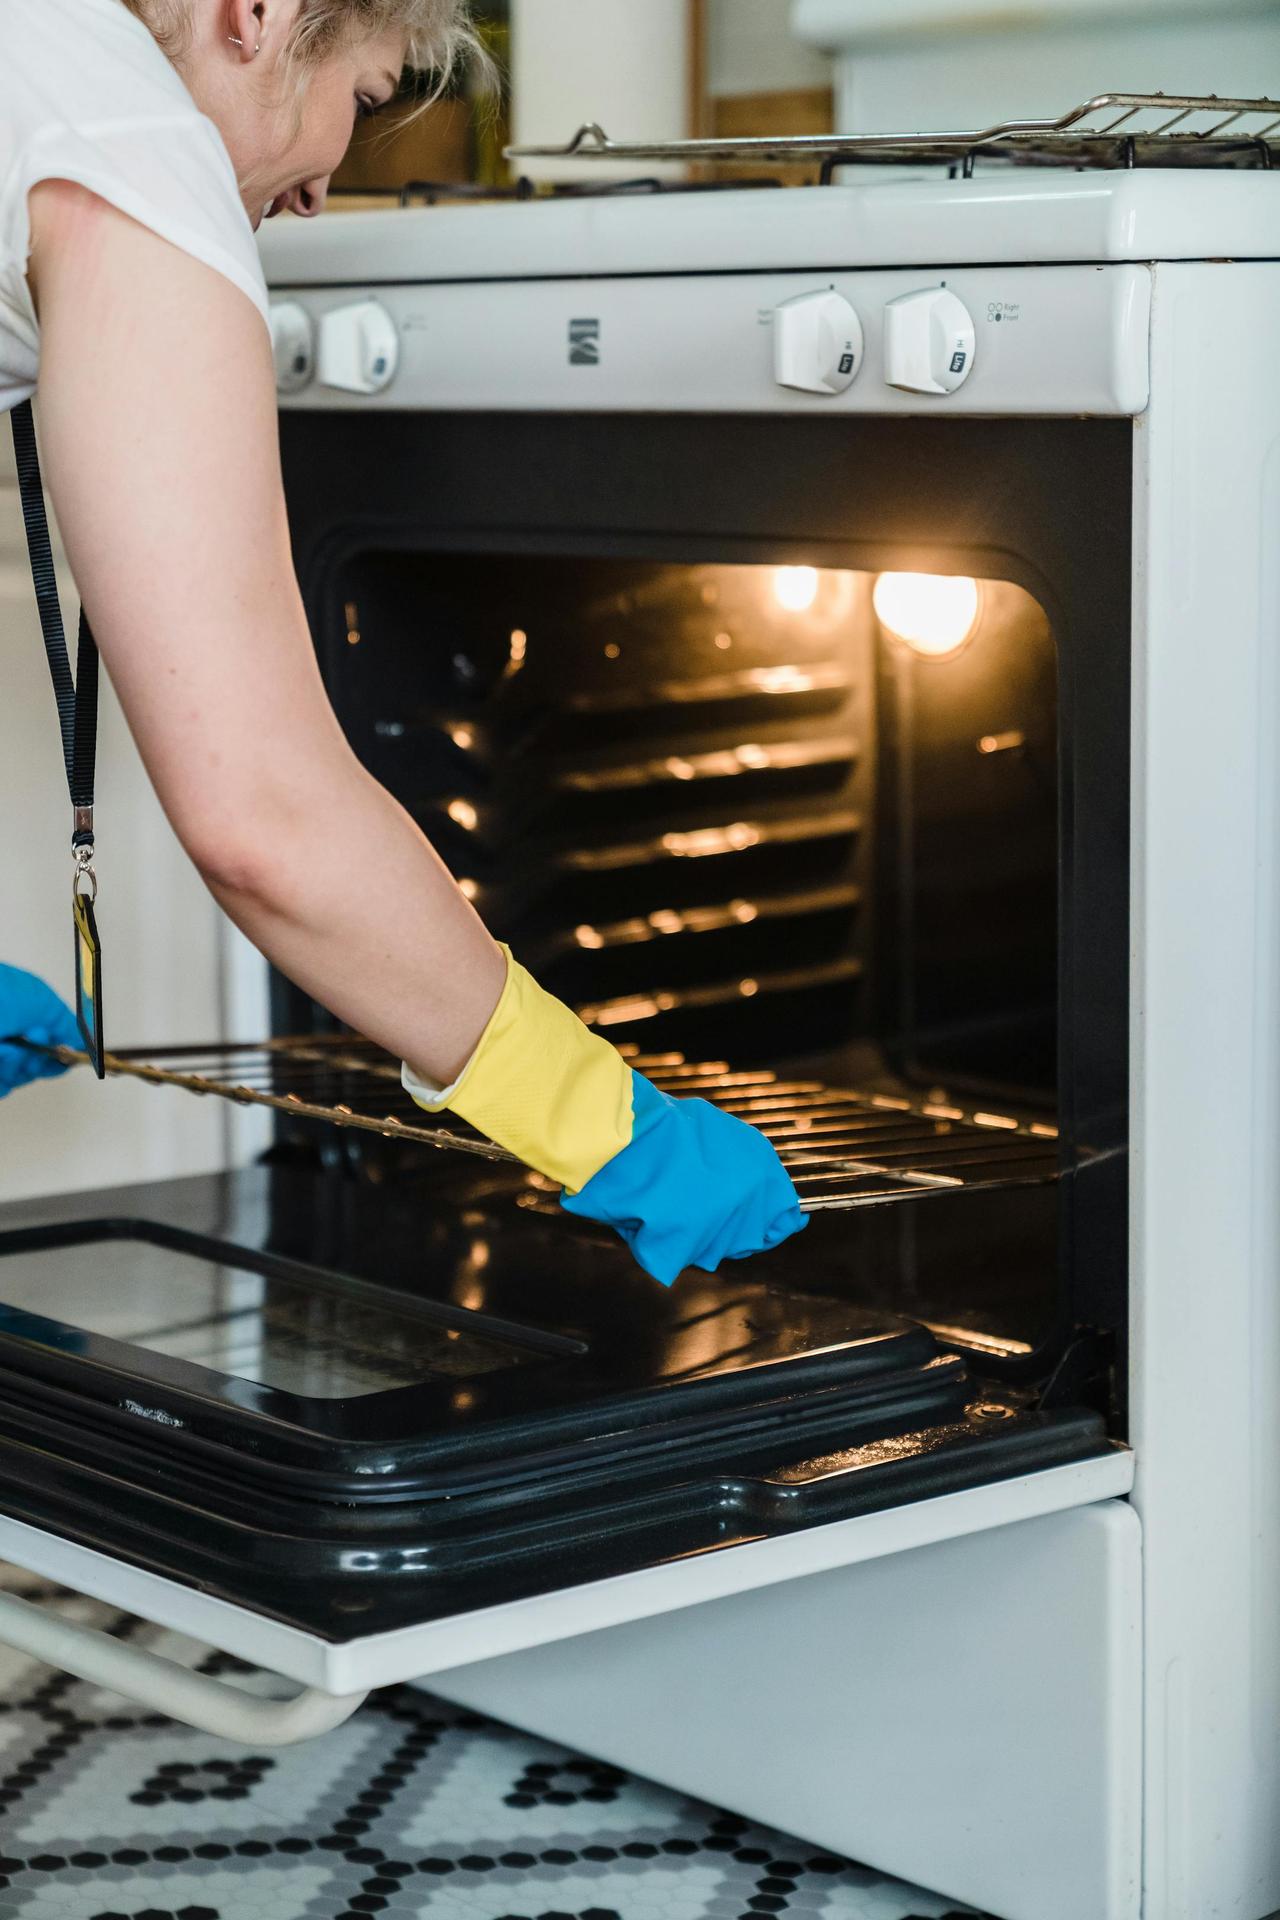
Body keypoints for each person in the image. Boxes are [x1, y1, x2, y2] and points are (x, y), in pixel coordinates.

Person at [0, 0, 806, 1286]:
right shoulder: (125, 153)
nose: (325, 186)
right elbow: (262, 819)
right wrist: (602, 1120)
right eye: (366, 100)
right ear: (255, 13)